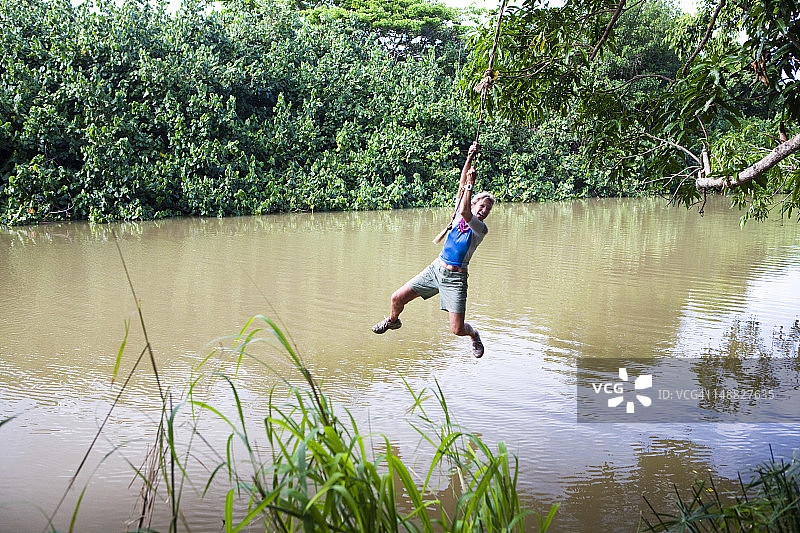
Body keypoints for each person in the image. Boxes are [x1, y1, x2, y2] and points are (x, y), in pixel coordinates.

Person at [371, 141, 495, 358]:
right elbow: (461, 189)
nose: (484, 211)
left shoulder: (480, 229)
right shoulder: (460, 212)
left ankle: (474, 334)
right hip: (436, 269)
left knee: (457, 330)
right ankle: (393, 321)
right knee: (396, 298)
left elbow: (466, 210)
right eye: (482, 206)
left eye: (488, 209)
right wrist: (469, 157)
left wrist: (470, 185)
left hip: (456, 279)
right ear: (475, 204)